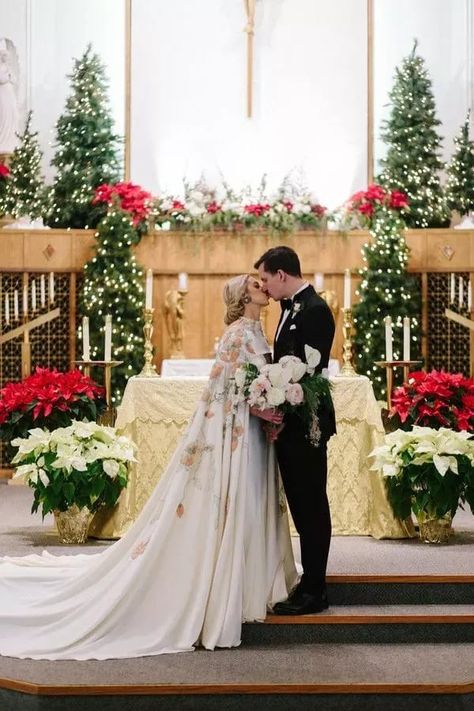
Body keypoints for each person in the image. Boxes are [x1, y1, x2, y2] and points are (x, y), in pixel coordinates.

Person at [0, 275, 297, 661]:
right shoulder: (238, 334)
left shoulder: (259, 331)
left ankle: (246, 578)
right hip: (235, 433)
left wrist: (267, 405)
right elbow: (228, 389)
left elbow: (251, 382)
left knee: (251, 502)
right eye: (255, 284)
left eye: (262, 281)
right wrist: (261, 406)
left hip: (252, 433)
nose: (262, 286)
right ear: (244, 297)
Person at [255, 246, 336, 615]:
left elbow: (309, 374)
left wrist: (283, 407)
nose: (265, 287)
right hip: (291, 423)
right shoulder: (289, 309)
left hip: (308, 423)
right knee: (302, 504)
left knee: (311, 504)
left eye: (266, 278)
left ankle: (315, 591)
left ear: (282, 275)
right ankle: (309, 583)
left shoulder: (316, 311)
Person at [0, 38, 19, 155]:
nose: (4, 57)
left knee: (13, 114)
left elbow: (14, 79)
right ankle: (3, 141)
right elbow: (2, 79)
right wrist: (8, 76)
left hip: (9, 93)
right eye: (2, 55)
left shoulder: (7, 68)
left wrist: (9, 75)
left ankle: (10, 140)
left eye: (5, 55)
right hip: (2, 95)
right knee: (3, 115)